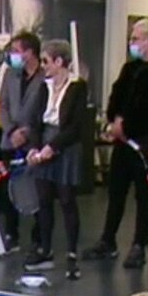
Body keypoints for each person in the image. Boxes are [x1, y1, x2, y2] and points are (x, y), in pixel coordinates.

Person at [85, 18, 148, 269]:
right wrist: (115, 121)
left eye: (136, 38)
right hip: (123, 140)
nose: (132, 43)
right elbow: (116, 96)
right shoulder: (130, 68)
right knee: (116, 190)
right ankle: (108, 240)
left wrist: (127, 127)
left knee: (143, 193)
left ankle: (138, 244)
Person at [25, 39, 89, 281]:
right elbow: (35, 122)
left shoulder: (78, 87)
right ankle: (45, 249)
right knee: (43, 201)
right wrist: (35, 148)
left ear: (59, 61)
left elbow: (75, 126)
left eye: (46, 61)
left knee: (67, 200)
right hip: (44, 143)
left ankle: (72, 253)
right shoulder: (44, 86)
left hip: (66, 146)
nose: (43, 66)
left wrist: (53, 147)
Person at [0, 30, 45, 254]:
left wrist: (28, 132)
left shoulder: (45, 77)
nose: (13, 55)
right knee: (9, 189)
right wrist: (11, 131)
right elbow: (3, 105)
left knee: (37, 189)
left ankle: (39, 237)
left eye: (16, 51)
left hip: (35, 141)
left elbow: (46, 110)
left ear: (30, 52)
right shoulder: (10, 74)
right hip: (10, 141)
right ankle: (11, 234)